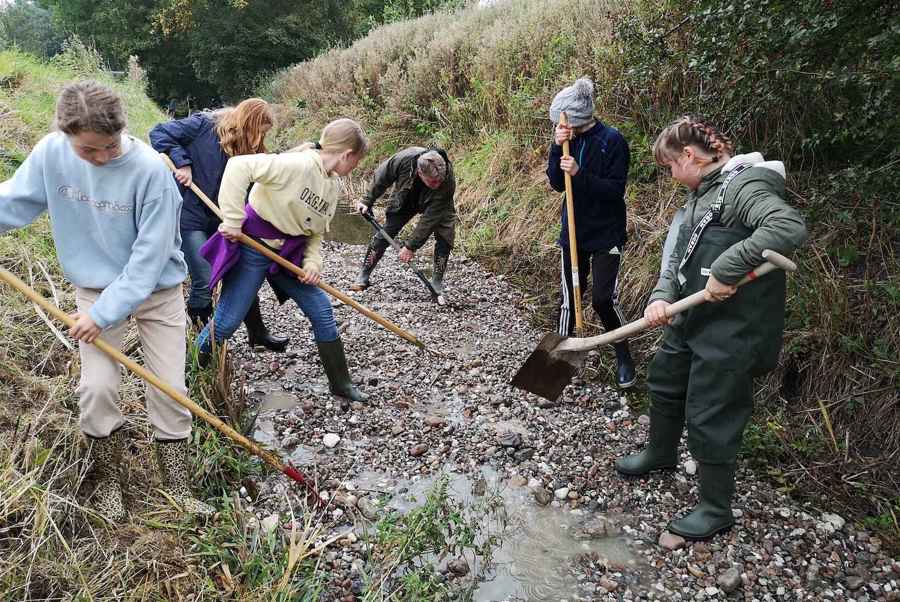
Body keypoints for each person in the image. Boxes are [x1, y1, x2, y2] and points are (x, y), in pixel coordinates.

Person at [0, 80, 213, 521]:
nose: (101, 158)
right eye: (89, 151)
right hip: (93, 287)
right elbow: (12, 203)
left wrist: (102, 315)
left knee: (169, 389)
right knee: (96, 390)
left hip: (155, 289)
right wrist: (96, 308)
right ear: (67, 136)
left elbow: (148, 261)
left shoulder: (153, 174)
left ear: (122, 130)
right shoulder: (51, 154)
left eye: (110, 147)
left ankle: (177, 486)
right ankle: (109, 483)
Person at [615, 115, 807, 540]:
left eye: (669, 166)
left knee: (710, 411)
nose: (669, 175)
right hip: (689, 316)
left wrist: (728, 266)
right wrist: (661, 296)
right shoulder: (701, 195)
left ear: (688, 155)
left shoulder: (745, 185)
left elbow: (786, 227)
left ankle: (716, 507)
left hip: (733, 329)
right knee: (665, 379)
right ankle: (660, 453)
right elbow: (678, 255)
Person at [195, 118, 369, 402]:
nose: (355, 168)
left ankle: (341, 384)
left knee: (323, 311)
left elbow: (315, 233)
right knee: (226, 323)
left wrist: (312, 265)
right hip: (253, 246)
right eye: (357, 161)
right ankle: (188, 373)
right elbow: (239, 167)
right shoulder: (297, 164)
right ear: (347, 154)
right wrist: (233, 218)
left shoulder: (333, 185)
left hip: (289, 254)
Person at [149, 98, 289, 352]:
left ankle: (257, 332)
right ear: (248, 123)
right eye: (260, 131)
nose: (260, 138)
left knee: (240, 274)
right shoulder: (203, 125)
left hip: (225, 218)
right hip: (190, 214)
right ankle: (203, 342)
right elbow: (159, 132)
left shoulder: (252, 148)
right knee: (204, 277)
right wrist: (183, 163)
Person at [547, 77, 635, 388]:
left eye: (563, 121)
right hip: (572, 231)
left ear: (577, 118)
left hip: (606, 233)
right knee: (570, 300)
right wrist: (557, 151)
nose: (560, 126)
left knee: (602, 299)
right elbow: (557, 183)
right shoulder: (564, 140)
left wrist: (579, 174)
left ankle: (623, 354)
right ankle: (555, 364)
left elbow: (614, 191)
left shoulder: (612, 141)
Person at [350, 147, 456, 299]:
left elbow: (429, 220)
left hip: (438, 205)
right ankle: (364, 274)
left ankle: (437, 282)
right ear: (420, 173)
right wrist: (367, 200)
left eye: (440, 180)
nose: (437, 184)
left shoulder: (446, 182)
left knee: (446, 236)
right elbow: (382, 176)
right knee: (385, 233)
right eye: (433, 182)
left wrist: (410, 246)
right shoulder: (404, 159)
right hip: (405, 199)